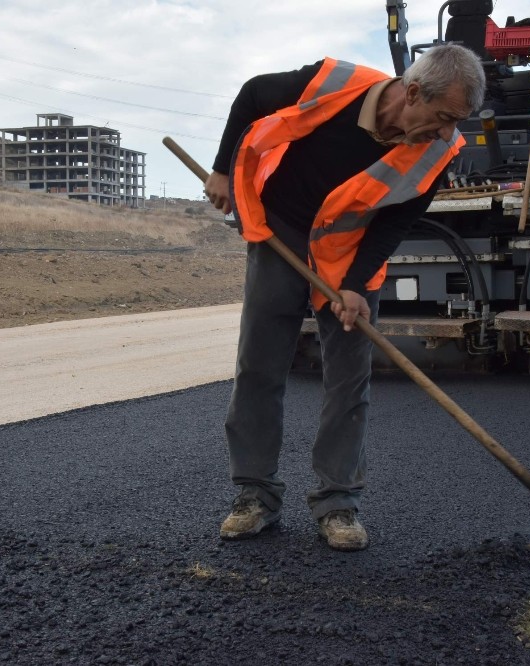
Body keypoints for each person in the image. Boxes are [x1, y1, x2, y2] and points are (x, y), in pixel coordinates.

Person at [204, 44, 486, 551]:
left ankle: (338, 504)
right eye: (445, 118)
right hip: (281, 235)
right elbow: (251, 96)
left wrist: (355, 284)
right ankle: (254, 497)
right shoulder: (331, 83)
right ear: (413, 92)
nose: (448, 132)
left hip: (349, 254)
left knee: (349, 380)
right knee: (260, 367)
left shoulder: (438, 150)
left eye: (456, 122)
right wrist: (223, 169)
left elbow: (397, 220)